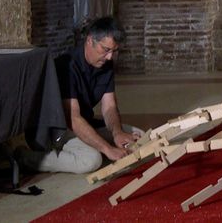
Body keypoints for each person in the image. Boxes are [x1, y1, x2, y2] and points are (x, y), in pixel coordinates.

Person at [19, 17, 142, 173]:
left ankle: (92, 146)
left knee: (138, 137)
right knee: (91, 160)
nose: (110, 57)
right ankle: (26, 157)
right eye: (106, 50)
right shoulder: (66, 66)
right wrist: (107, 149)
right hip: (55, 130)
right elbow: (73, 119)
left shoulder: (106, 64)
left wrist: (117, 133)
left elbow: (109, 106)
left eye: (114, 51)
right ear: (90, 40)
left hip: (84, 123)